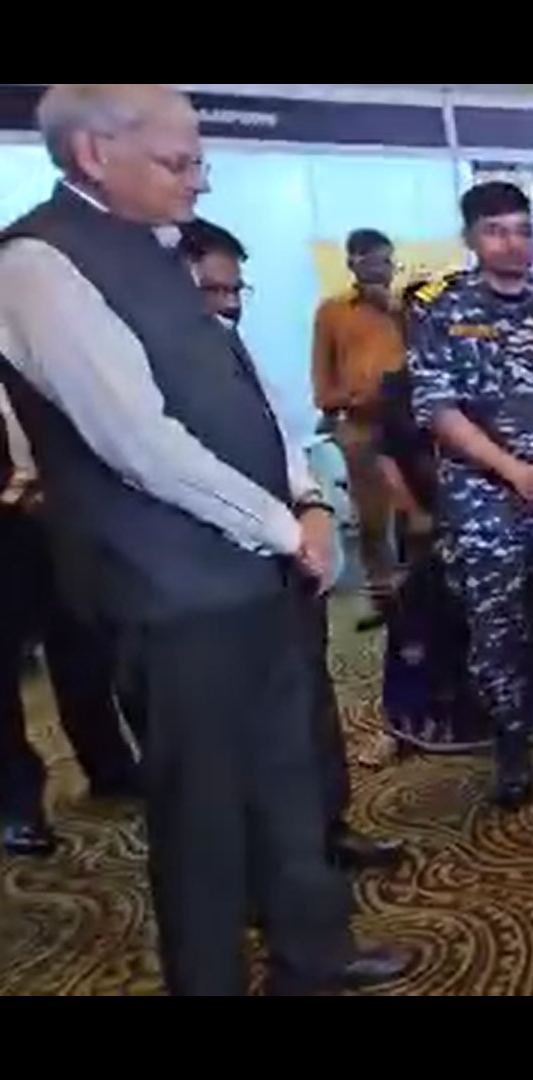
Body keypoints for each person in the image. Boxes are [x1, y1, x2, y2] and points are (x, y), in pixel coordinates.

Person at [0, 83, 407, 994]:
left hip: (257, 574)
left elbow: (247, 394)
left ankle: (313, 955)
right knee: (205, 816)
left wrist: (308, 501)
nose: (200, 178)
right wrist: (282, 526)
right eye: (179, 161)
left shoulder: (164, 250)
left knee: (289, 782)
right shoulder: (37, 264)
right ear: (94, 155)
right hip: (167, 593)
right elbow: (136, 442)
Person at [178, 218, 402, 870]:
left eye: (236, 290)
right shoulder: (150, 364)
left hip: (288, 558)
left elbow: (280, 440)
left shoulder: (234, 351)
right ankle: (261, 860)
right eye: (211, 291)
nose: (229, 305)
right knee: (232, 724)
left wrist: (311, 506)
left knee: (308, 697)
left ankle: (327, 827)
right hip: (212, 574)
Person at [410, 181, 533, 809]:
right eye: (496, 231)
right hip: (483, 506)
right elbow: (436, 407)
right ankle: (512, 754)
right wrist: (512, 471)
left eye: (523, 230)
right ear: (471, 238)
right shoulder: (440, 311)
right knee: (496, 633)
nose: (513, 243)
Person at [1, 381, 141, 858]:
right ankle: (17, 804)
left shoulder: (32, 350)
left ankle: (108, 765)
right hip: (5, 523)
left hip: (61, 512)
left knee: (85, 645)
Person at [375, 320, 488, 754]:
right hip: (422, 519)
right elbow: (386, 459)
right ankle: (405, 723)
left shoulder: (479, 373)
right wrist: (416, 513)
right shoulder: (397, 384)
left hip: (478, 518)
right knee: (415, 621)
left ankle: (472, 717)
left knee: (474, 620)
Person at [313, 229, 406, 625]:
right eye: (376, 260)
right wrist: (342, 402)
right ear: (353, 262)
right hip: (360, 427)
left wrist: (396, 311)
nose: (384, 269)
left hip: (410, 425)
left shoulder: (408, 308)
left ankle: (418, 596)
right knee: (372, 520)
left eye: (388, 261)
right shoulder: (332, 311)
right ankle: (383, 600)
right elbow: (322, 375)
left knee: (416, 515)